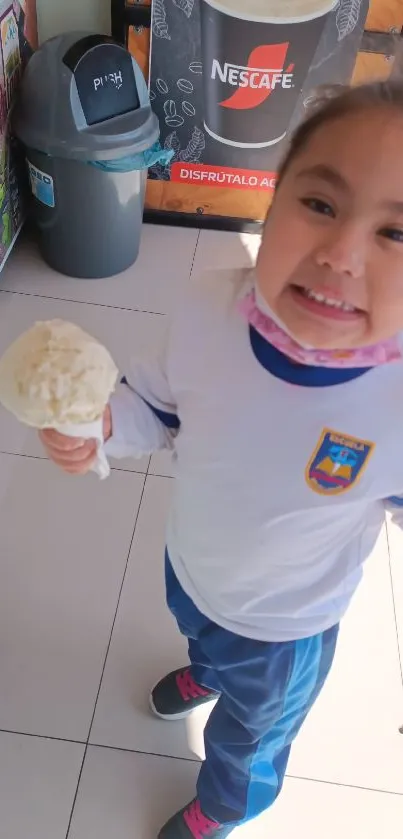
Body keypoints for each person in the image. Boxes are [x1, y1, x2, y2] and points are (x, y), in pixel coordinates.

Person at [40, 81, 403, 839]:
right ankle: (205, 664)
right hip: (193, 564)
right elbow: (159, 404)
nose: (339, 255)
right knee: (196, 625)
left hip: (283, 625)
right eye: (320, 204)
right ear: (272, 202)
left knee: (250, 731)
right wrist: (103, 423)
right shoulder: (208, 309)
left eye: (394, 235)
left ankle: (228, 802)